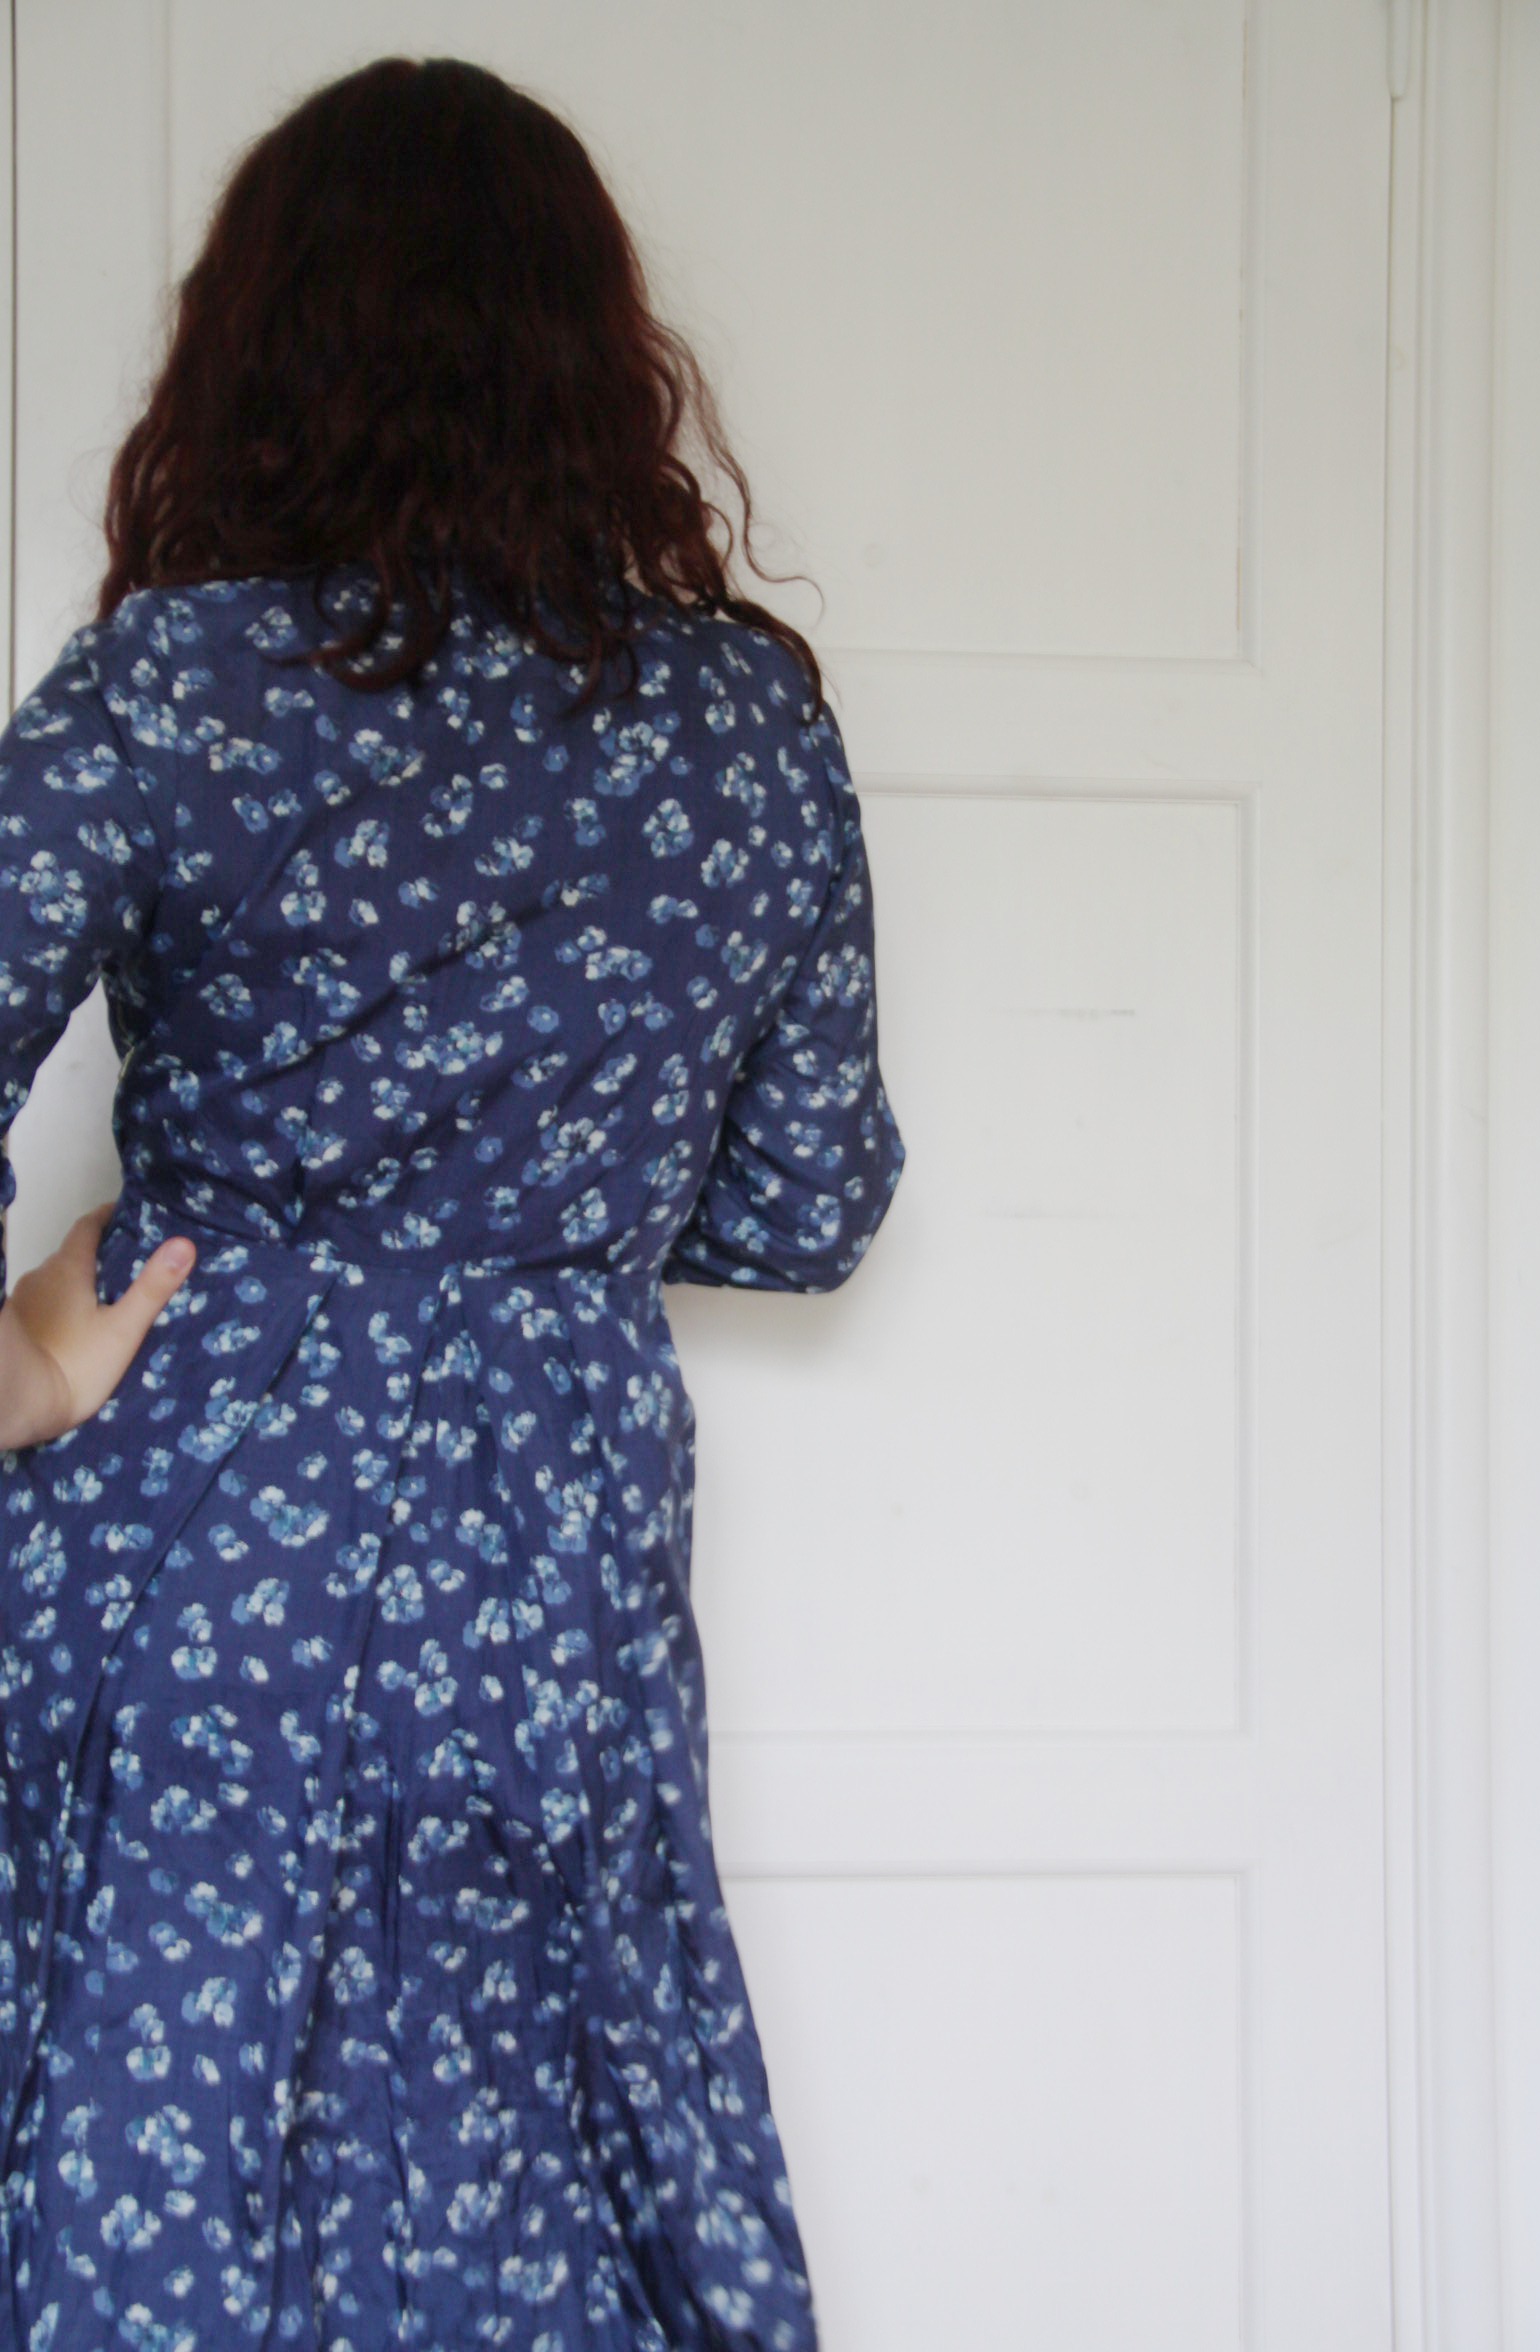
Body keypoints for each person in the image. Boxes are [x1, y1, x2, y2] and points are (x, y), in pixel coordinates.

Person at [0, 54, 904, 2352]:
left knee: (173, 2087)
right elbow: (806, 1204)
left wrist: (22, 1364)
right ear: (598, 358)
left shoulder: (181, 688)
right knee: (533, 2114)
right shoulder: (745, 728)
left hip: (209, 1511)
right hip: (555, 1517)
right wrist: (535, 1209)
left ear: (255, 346)